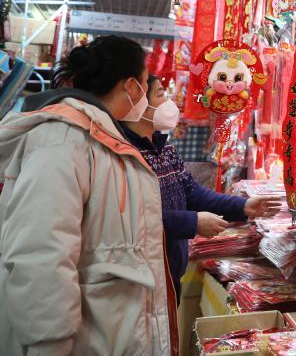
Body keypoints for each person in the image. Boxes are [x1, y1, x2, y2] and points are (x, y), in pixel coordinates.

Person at [0, 35, 175, 355]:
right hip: (72, 342)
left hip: (103, 334)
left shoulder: (104, 138)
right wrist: (49, 344)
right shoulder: (62, 138)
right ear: (131, 87)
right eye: (146, 82)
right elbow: (40, 251)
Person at [122, 75, 281, 297]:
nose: (169, 102)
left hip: (171, 274)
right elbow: (132, 219)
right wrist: (193, 222)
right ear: (138, 103)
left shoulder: (165, 148)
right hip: (137, 278)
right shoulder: (124, 155)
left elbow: (192, 193)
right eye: (160, 95)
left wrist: (244, 206)